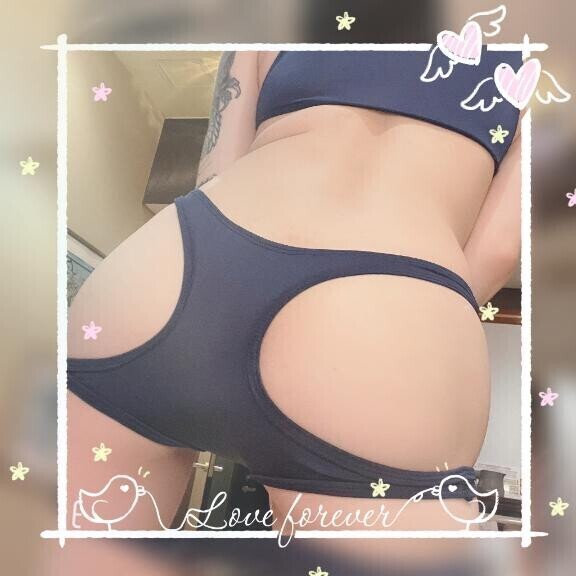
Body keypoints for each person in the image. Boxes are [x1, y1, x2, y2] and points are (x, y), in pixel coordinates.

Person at [67, 49, 522, 536]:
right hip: (387, 305)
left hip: (178, 270)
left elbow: (217, 169)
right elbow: (499, 247)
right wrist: (415, 321)